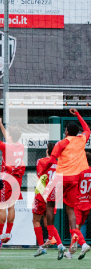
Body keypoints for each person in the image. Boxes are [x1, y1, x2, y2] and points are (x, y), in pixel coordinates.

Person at [44, 108, 90, 260]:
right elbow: (87, 130)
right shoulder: (81, 139)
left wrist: (44, 171)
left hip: (61, 178)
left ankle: (51, 236)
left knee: (50, 204)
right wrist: (78, 115)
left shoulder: (62, 142)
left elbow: (51, 160)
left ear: (66, 132)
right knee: (70, 211)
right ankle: (81, 242)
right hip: (74, 180)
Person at [0, 116, 25, 243]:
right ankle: (8, 233)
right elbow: (10, 138)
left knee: (2, 207)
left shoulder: (6, 147)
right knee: (11, 207)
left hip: (7, 180)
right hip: (17, 180)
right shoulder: (21, 146)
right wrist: (0, 124)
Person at [32, 142, 57, 257]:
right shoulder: (58, 163)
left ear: (47, 150)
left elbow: (40, 177)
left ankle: (41, 246)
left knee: (36, 220)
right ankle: (59, 244)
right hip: (53, 195)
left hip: (42, 195)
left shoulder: (41, 161)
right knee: (48, 222)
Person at [71, 152, 91, 259]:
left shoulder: (79, 171)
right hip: (88, 203)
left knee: (74, 227)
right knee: (78, 227)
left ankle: (83, 245)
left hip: (78, 203)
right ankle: (71, 251)